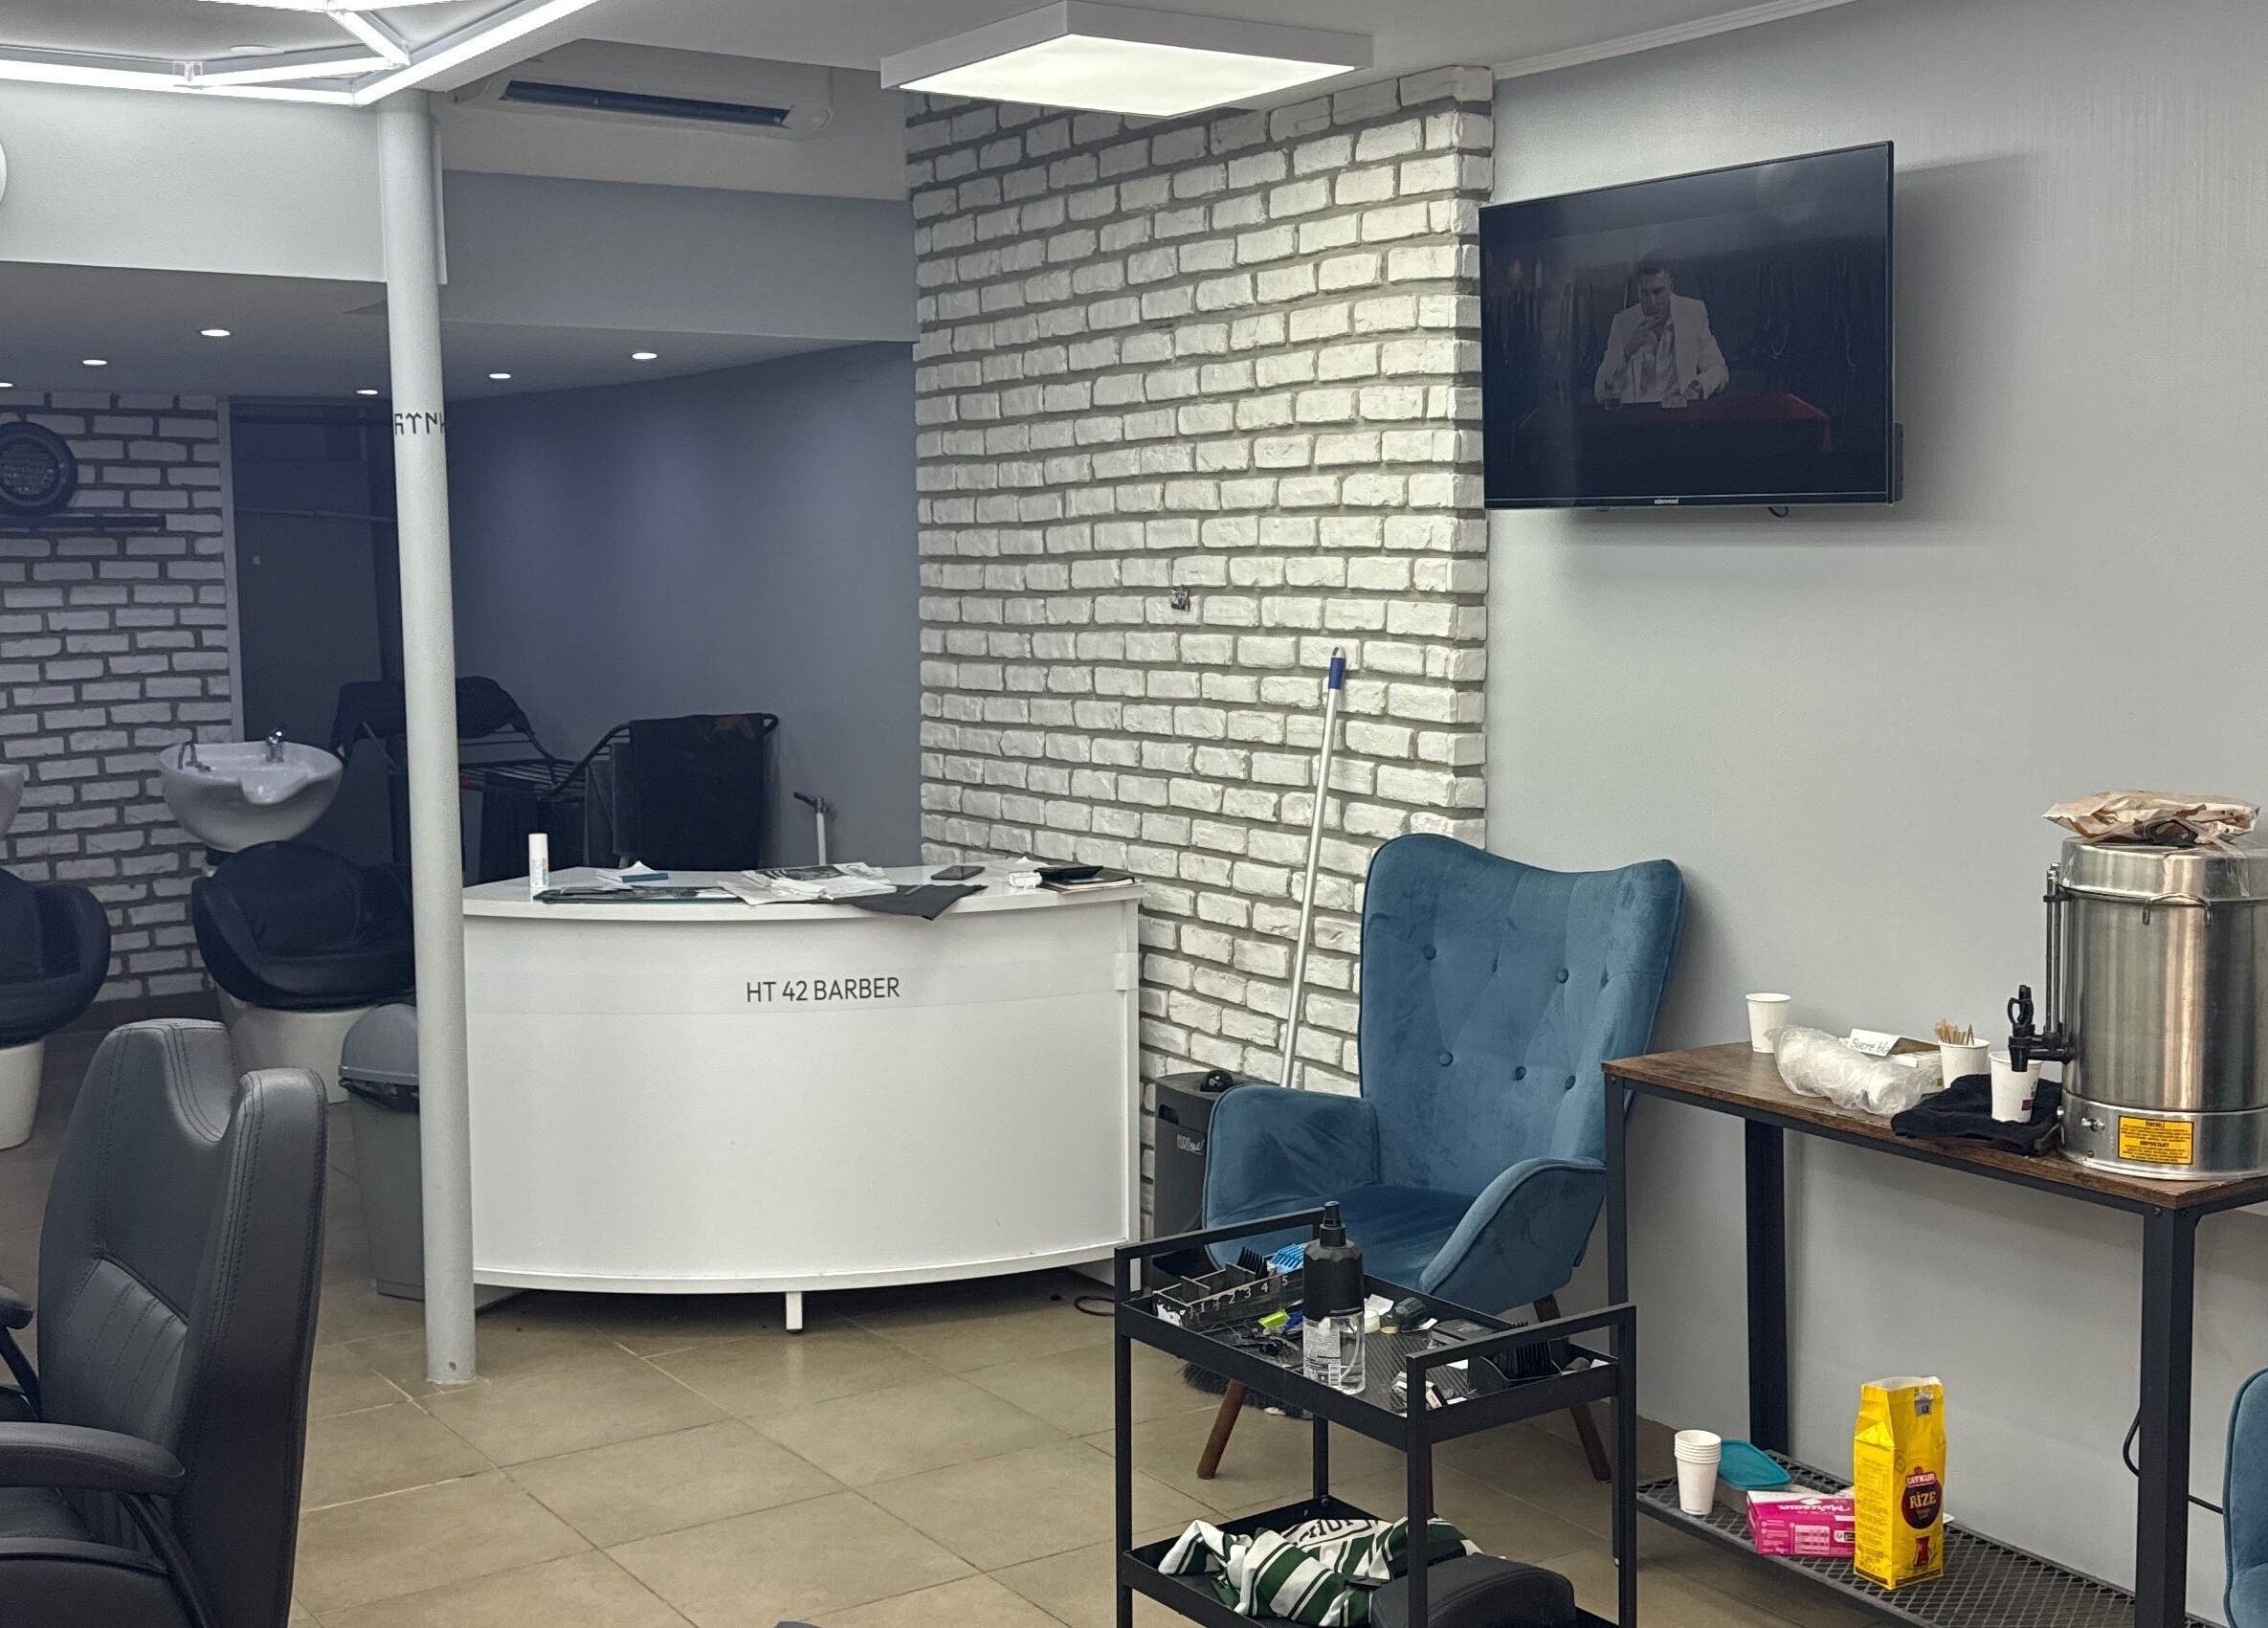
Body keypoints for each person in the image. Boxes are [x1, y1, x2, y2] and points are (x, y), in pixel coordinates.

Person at [1593, 252, 1727, 408]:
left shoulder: (1692, 313)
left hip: (1679, 415)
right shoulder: (1622, 323)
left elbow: (1719, 370)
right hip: (1637, 417)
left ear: (1671, 286)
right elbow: (1599, 391)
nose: (1652, 302)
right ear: (1638, 290)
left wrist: (1696, 387)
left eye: (1658, 292)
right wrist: (1626, 353)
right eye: (1645, 293)